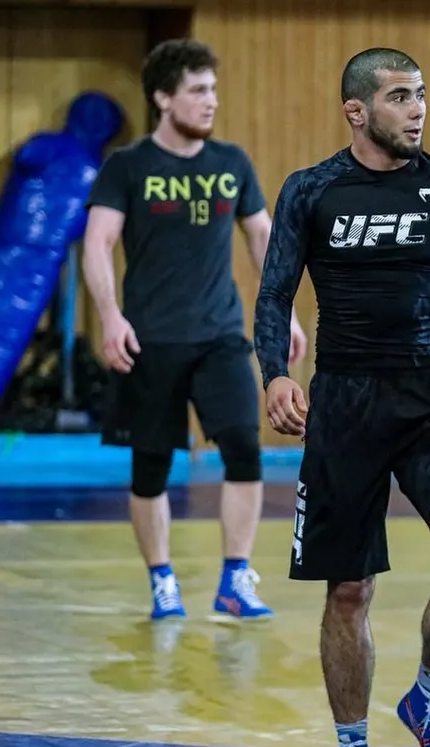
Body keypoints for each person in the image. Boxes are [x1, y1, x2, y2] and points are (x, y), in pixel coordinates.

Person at [253, 47, 430, 747]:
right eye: (400, 96)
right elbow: (274, 294)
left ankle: (427, 699)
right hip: (343, 407)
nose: (418, 109)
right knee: (349, 591)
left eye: (421, 94)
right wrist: (275, 372)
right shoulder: (312, 190)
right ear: (356, 110)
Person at [82, 38, 307, 622]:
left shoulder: (231, 163)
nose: (211, 101)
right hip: (149, 340)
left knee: (243, 448)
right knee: (151, 467)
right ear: (163, 98)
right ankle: (162, 581)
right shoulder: (128, 166)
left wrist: (283, 313)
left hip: (220, 336)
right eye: (198, 90)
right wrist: (110, 315)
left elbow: (262, 238)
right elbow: (98, 242)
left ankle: (235, 580)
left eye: (214, 90)